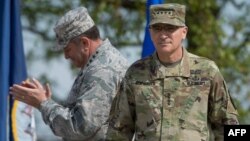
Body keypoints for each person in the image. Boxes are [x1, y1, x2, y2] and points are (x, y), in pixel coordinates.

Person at [105, 3, 239, 141]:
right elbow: (118, 130)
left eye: (170, 28)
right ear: (150, 32)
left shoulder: (208, 71)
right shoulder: (136, 73)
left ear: (184, 32)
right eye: (157, 28)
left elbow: (230, 127)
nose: (163, 35)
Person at [9, 7, 129, 141]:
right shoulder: (99, 63)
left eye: (68, 49)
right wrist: (47, 102)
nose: (66, 56)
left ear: (84, 43)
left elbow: (80, 128)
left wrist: (43, 104)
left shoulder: (102, 71)